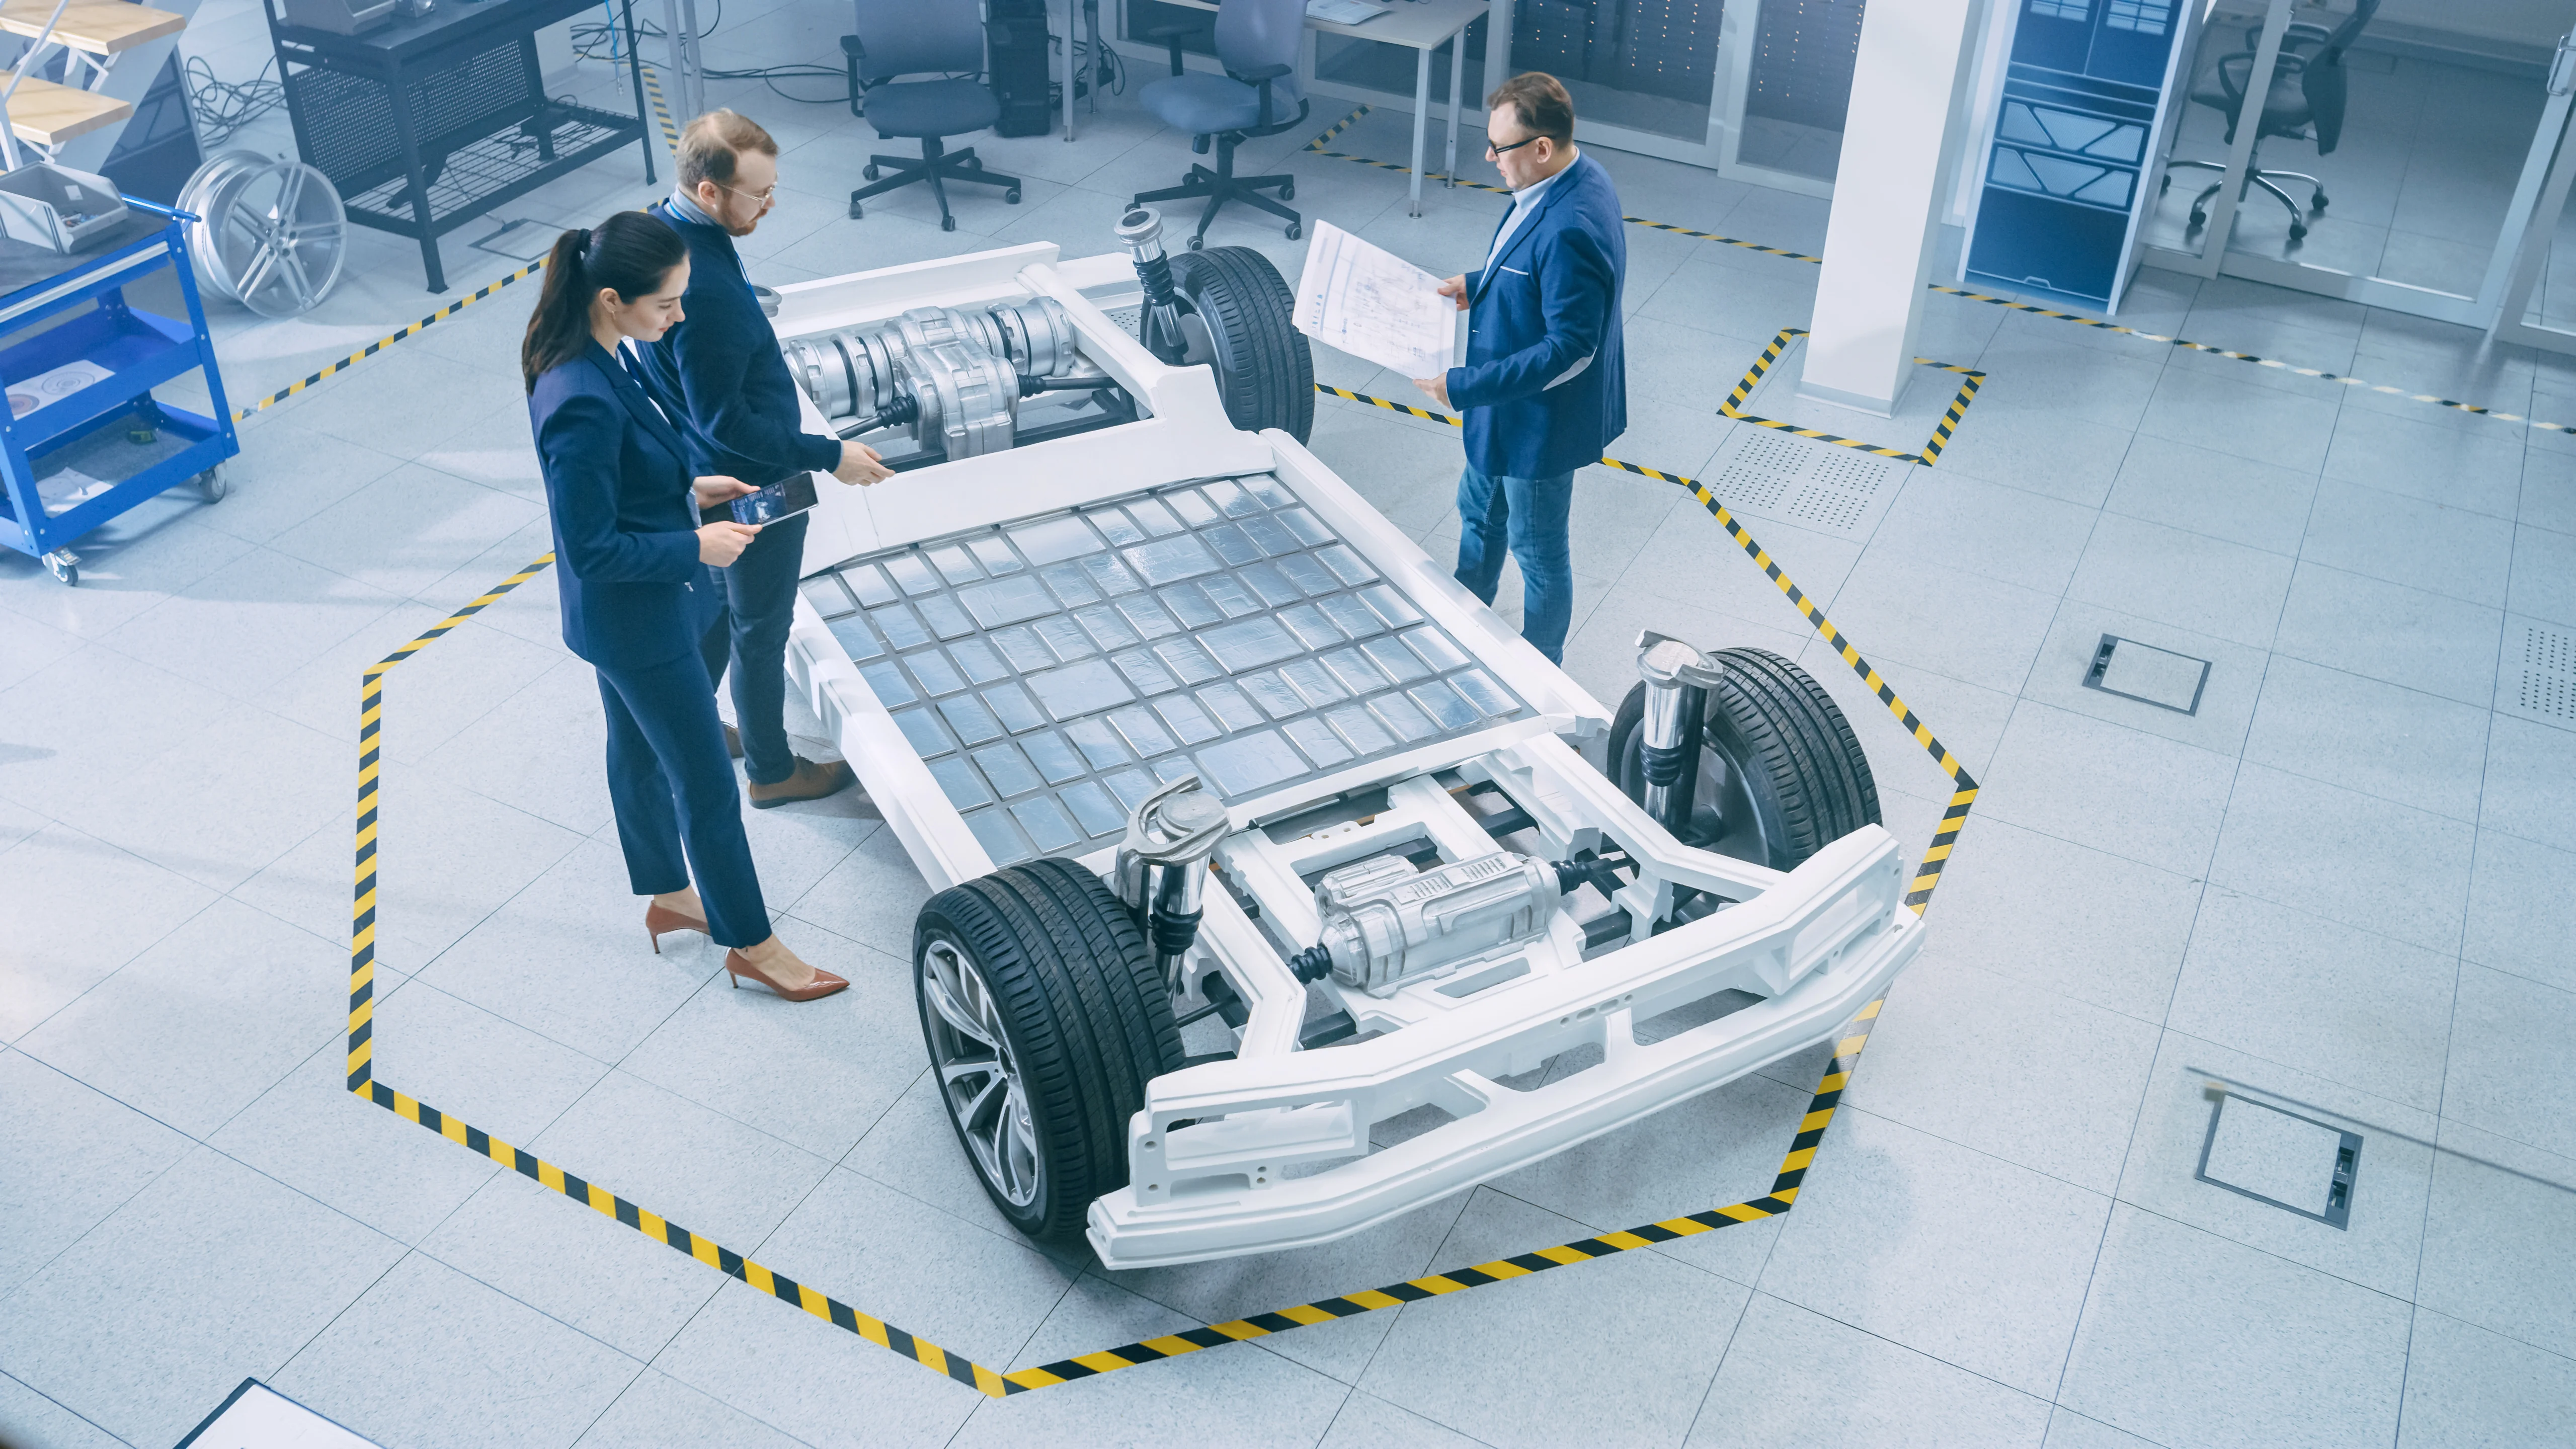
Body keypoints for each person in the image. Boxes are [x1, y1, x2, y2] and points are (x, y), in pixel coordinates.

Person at [522, 210, 847, 1002]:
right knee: (705, 788)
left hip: (622, 620)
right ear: (610, 298)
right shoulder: (579, 398)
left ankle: (669, 896)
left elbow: (625, 476)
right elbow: (592, 544)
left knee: (634, 750)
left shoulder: (602, 359)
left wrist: (691, 490)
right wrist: (695, 546)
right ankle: (754, 946)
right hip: (640, 623)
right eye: (666, 305)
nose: (678, 318)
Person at [639, 109, 892, 809]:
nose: (771, 203)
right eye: (759, 192)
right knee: (759, 628)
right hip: (753, 481)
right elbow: (729, 420)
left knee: (722, 608)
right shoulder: (707, 293)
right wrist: (829, 455)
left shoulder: (668, 236)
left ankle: (690, 729)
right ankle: (774, 772)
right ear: (711, 191)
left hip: (706, 471)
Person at [1414, 72, 1627, 666]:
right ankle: (1463, 623)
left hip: (1537, 424)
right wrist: (1480, 285)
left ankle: (1542, 671)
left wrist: (1464, 387)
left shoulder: (1569, 227)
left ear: (1540, 147)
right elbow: (1531, 270)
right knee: (1478, 512)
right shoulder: (1568, 178)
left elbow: (1570, 349)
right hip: (1503, 408)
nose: (1489, 158)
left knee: (1537, 551)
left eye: (1500, 148)